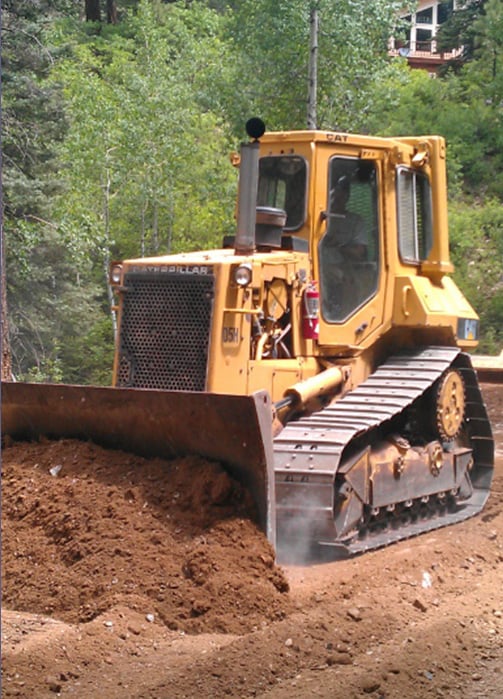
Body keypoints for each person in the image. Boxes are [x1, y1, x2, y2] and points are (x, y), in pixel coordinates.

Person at [324, 175, 368, 262]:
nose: (335, 201)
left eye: (340, 197)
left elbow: (360, 253)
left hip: (344, 271)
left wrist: (338, 245)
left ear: (347, 197)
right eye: (332, 196)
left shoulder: (355, 221)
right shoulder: (317, 219)